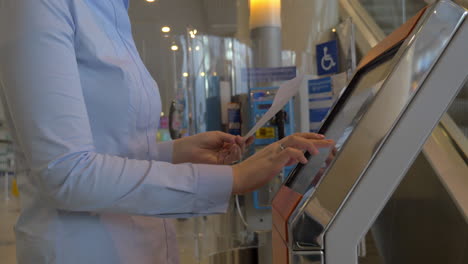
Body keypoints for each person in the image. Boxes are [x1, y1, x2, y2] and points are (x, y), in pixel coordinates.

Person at [0, 0, 333, 263]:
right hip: (83, 249)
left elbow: (109, 149)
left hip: (143, 244)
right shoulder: (38, 5)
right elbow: (66, 173)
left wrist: (176, 151)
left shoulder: (113, 10)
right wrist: (236, 179)